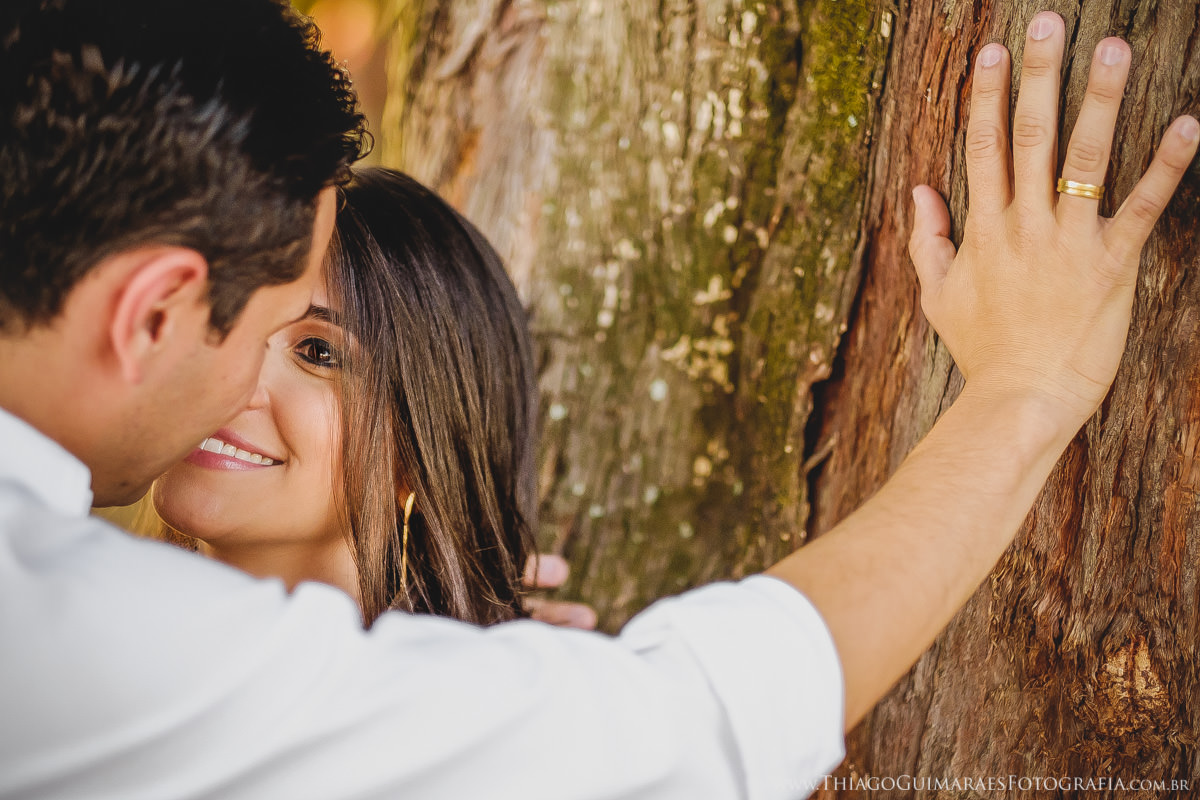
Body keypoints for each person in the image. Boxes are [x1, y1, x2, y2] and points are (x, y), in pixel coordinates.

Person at [1, 4, 1195, 798]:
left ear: (430, 442)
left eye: (315, 349)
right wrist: (1029, 385)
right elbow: (689, 726)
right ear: (147, 312)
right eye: (261, 325)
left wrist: (480, 694)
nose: (250, 378)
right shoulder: (91, 645)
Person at [151, 167, 596, 628]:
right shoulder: (92, 625)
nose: (229, 376)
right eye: (225, 315)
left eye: (318, 352)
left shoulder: (468, 688)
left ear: (420, 454)